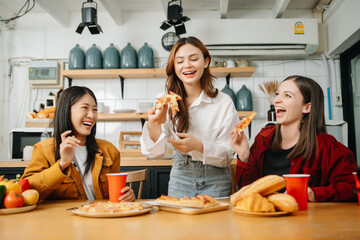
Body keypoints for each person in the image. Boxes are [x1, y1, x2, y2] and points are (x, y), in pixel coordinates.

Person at [231, 75, 358, 202]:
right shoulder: (263, 138)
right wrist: (244, 156)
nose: (276, 100)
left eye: (287, 95)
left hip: (306, 219)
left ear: (307, 107)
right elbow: (247, 188)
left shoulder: (327, 145)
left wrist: (314, 193)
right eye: (277, 94)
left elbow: (352, 187)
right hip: (265, 215)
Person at [140, 36, 239, 198]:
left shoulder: (224, 102)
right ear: (174, 66)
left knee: (217, 223)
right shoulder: (164, 100)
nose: (187, 65)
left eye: (193, 59)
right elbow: (155, 153)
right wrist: (154, 125)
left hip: (217, 178)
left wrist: (199, 146)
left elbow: (228, 154)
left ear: (206, 62)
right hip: (181, 177)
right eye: (179, 61)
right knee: (179, 223)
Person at [22, 86, 135, 201]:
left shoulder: (109, 150)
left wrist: (126, 196)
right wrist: (62, 164)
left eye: (95, 109)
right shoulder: (43, 149)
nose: (91, 115)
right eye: (85, 108)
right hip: (62, 218)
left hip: (99, 216)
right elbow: (27, 192)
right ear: (66, 111)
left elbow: (113, 198)